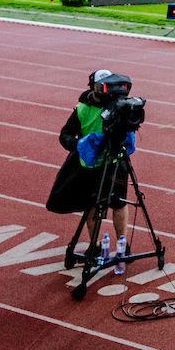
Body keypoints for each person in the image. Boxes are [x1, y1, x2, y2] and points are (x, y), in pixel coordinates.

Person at [47, 69, 134, 275]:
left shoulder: (119, 105)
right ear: (92, 87)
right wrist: (79, 145)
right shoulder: (82, 108)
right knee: (91, 206)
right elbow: (65, 134)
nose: (107, 91)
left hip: (115, 163)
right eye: (101, 87)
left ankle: (123, 244)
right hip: (90, 166)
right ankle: (94, 245)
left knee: (118, 203)